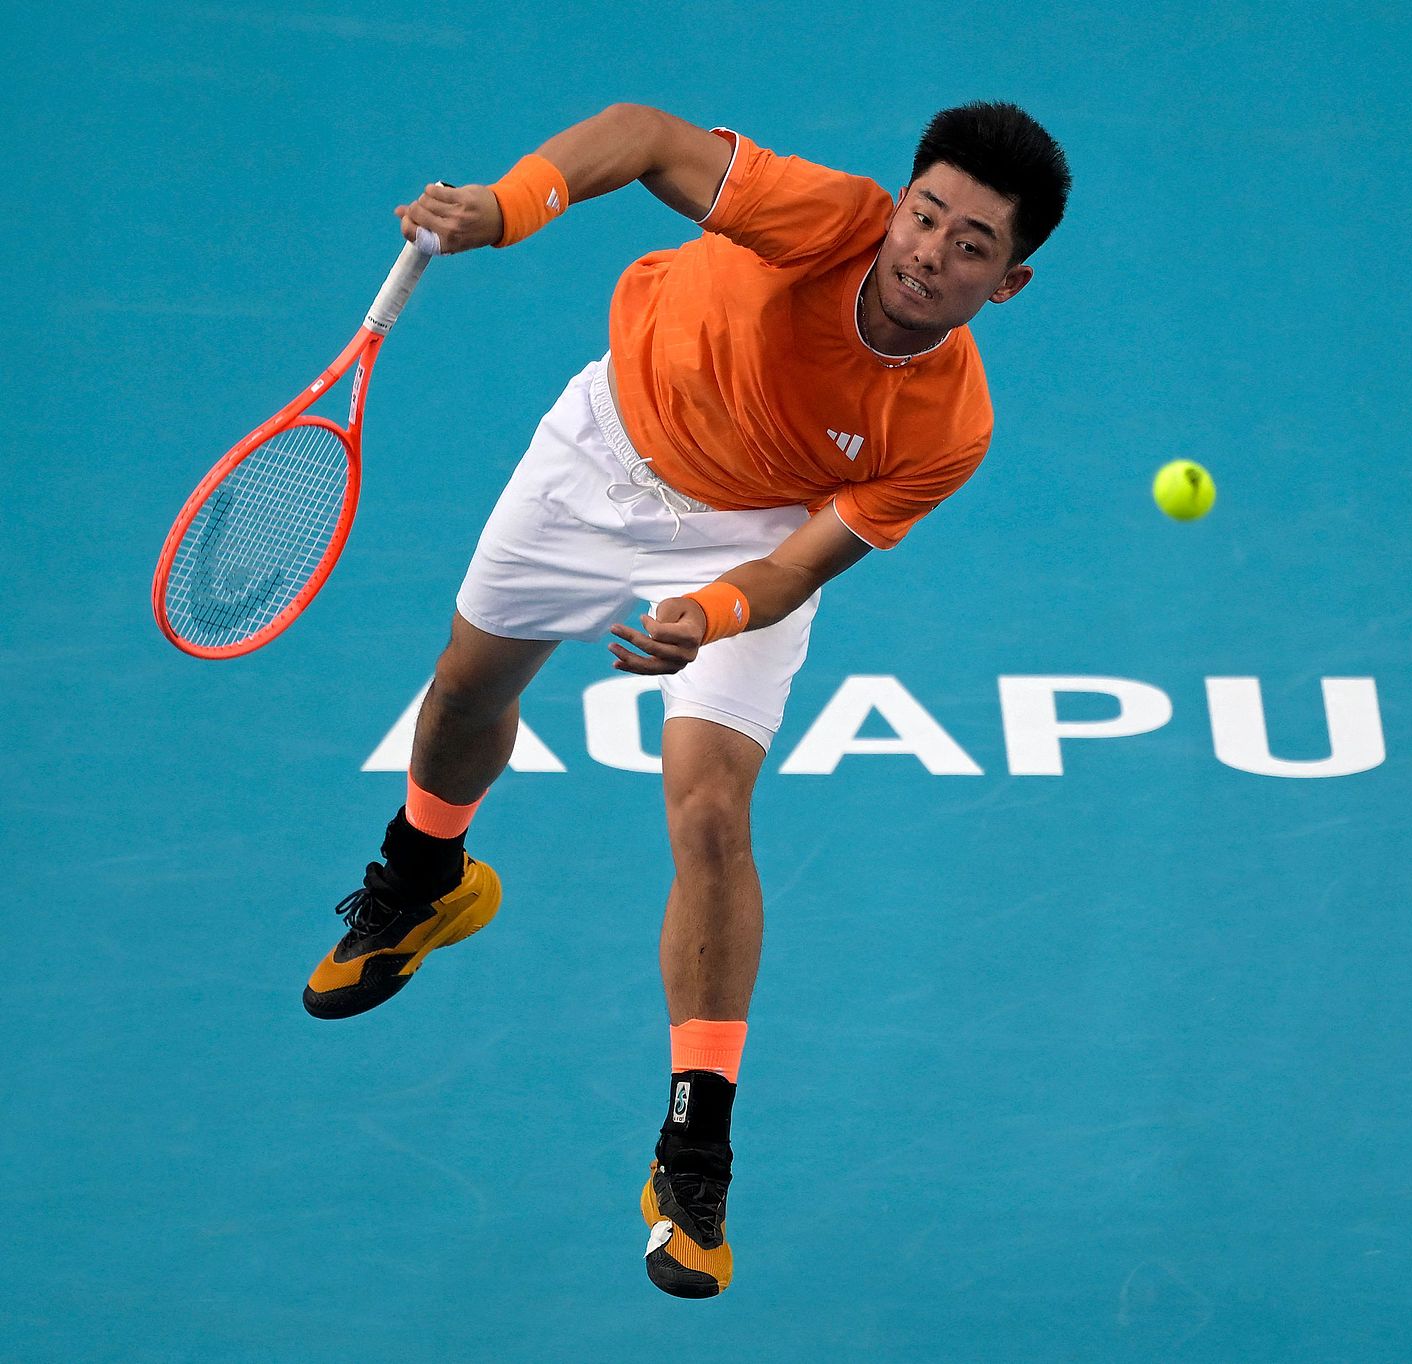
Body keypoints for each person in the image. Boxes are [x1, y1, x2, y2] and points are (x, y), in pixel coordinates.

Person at [298, 101, 1070, 1298]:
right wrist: (509, 207)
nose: (928, 252)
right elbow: (646, 137)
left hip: (748, 537)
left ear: (1007, 284)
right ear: (900, 200)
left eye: (971, 244)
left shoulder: (947, 427)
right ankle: (425, 876)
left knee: (711, 810)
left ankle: (692, 1153)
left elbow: (798, 565)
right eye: (925, 214)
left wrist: (706, 616)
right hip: (606, 444)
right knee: (460, 696)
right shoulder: (822, 219)